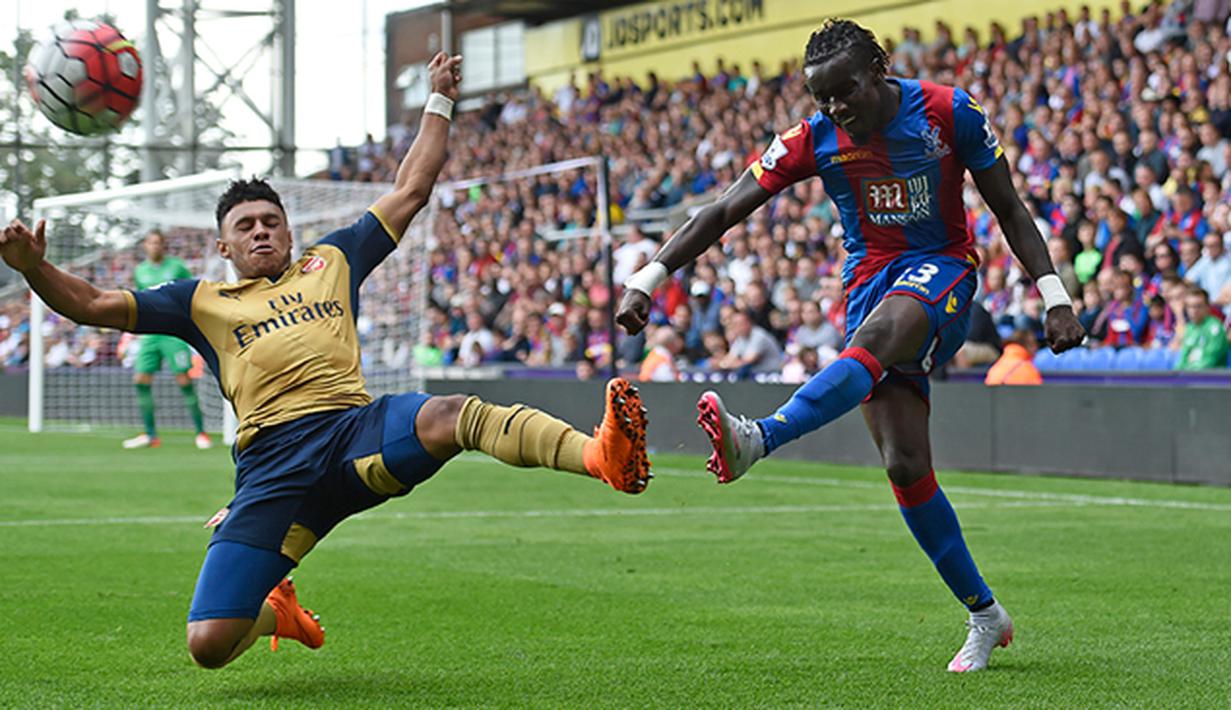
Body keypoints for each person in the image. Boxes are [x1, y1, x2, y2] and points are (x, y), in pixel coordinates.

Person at [0, 52, 651, 670]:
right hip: (271, 468)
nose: (261, 231)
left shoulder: (332, 260)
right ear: (223, 244)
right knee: (209, 643)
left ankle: (601, 455)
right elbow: (89, 303)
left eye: (271, 221)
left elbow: (413, 187)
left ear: (289, 231)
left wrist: (440, 100)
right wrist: (34, 268)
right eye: (247, 225)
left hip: (351, 433)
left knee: (453, 414)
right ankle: (273, 615)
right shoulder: (197, 301)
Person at [617, 19, 1084, 673]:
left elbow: (1008, 207)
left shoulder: (949, 112)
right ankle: (984, 614)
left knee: (878, 335)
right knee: (902, 465)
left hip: (942, 269)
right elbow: (723, 209)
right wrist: (647, 277)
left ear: (879, 73)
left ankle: (761, 438)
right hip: (867, 284)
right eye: (822, 99)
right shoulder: (814, 140)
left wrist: (1054, 296)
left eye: (845, 93)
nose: (835, 109)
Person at [123, 230, 212, 450]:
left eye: (158, 243)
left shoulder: (177, 266)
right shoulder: (140, 271)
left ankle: (201, 433)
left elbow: (191, 293)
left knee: (184, 381)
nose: (154, 246)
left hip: (174, 332)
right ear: (145, 245)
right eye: (150, 242)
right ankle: (151, 435)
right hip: (150, 334)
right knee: (140, 380)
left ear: (163, 246)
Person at [1176, 285, 1230, 370]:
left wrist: (1186, 372)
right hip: (1190, 379)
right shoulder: (1189, 329)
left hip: (1210, 380)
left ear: (1207, 307)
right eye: (1189, 306)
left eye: (1198, 306)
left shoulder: (1215, 328)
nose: (1193, 311)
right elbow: (1183, 360)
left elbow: (1209, 362)